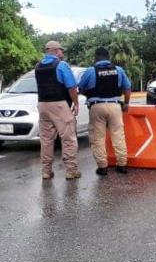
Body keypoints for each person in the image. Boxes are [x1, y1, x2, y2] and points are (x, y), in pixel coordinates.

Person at [79, 47, 132, 176]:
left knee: (98, 138)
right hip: (115, 106)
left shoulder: (90, 71)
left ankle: (102, 167)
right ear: (108, 57)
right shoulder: (118, 70)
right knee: (118, 135)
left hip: (97, 106)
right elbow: (128, 88)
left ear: (96, 58)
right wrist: (126, 103)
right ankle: (122, 165)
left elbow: (81, 88)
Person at [35, 41, 81, 180]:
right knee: (68, 138)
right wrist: (76, 103)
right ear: (55, 51)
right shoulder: (61, 65)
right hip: (59, 105)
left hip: (43, 104)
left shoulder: (37, 67)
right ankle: (71, 170)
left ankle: (46, 171)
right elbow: (72, 87)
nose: (62, 53)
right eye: (61, 50)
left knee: (46, 140)